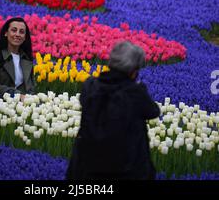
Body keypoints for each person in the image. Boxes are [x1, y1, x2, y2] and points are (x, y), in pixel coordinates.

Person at [66, 41, 160, 180]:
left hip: (87, 167)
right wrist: (140, 88)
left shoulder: (90, 86)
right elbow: (153, 111)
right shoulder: (134, 93)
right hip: (125, 170)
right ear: (133, 71)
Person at [0, 17, 35, 100]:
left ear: (25, 37)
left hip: (23, 106)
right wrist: (16, 95)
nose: (17, 34)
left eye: (21, 32)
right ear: (6, 33)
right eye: (14, 30)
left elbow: (31, 87)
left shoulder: (26, 58)